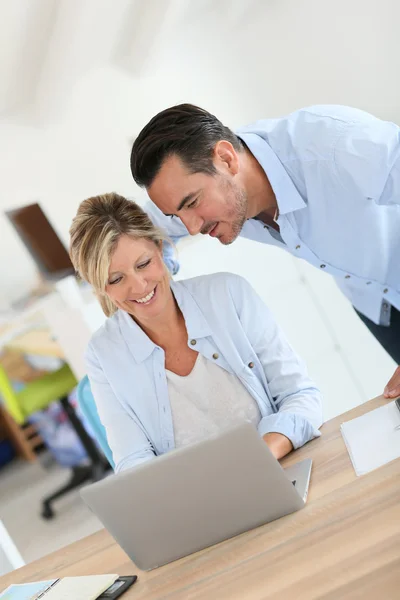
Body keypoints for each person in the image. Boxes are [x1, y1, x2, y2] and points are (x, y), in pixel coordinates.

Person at [130, 103, 400, 400]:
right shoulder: (201, 192)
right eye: (176, 215)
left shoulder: (334, 144)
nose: (191, 228)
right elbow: (143, 235)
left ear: (226, 159)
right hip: (376, 302)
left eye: (192, 203)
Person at [69, 193, 322, 473]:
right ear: (99, 287)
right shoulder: (103, 353)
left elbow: (299, 395)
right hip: (199, 506)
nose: (139, 286)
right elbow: (132, 462)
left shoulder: (228, 294)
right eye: (116, 279)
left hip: (280, 470)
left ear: (159, 248)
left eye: (144, 264)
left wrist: (263, 457)